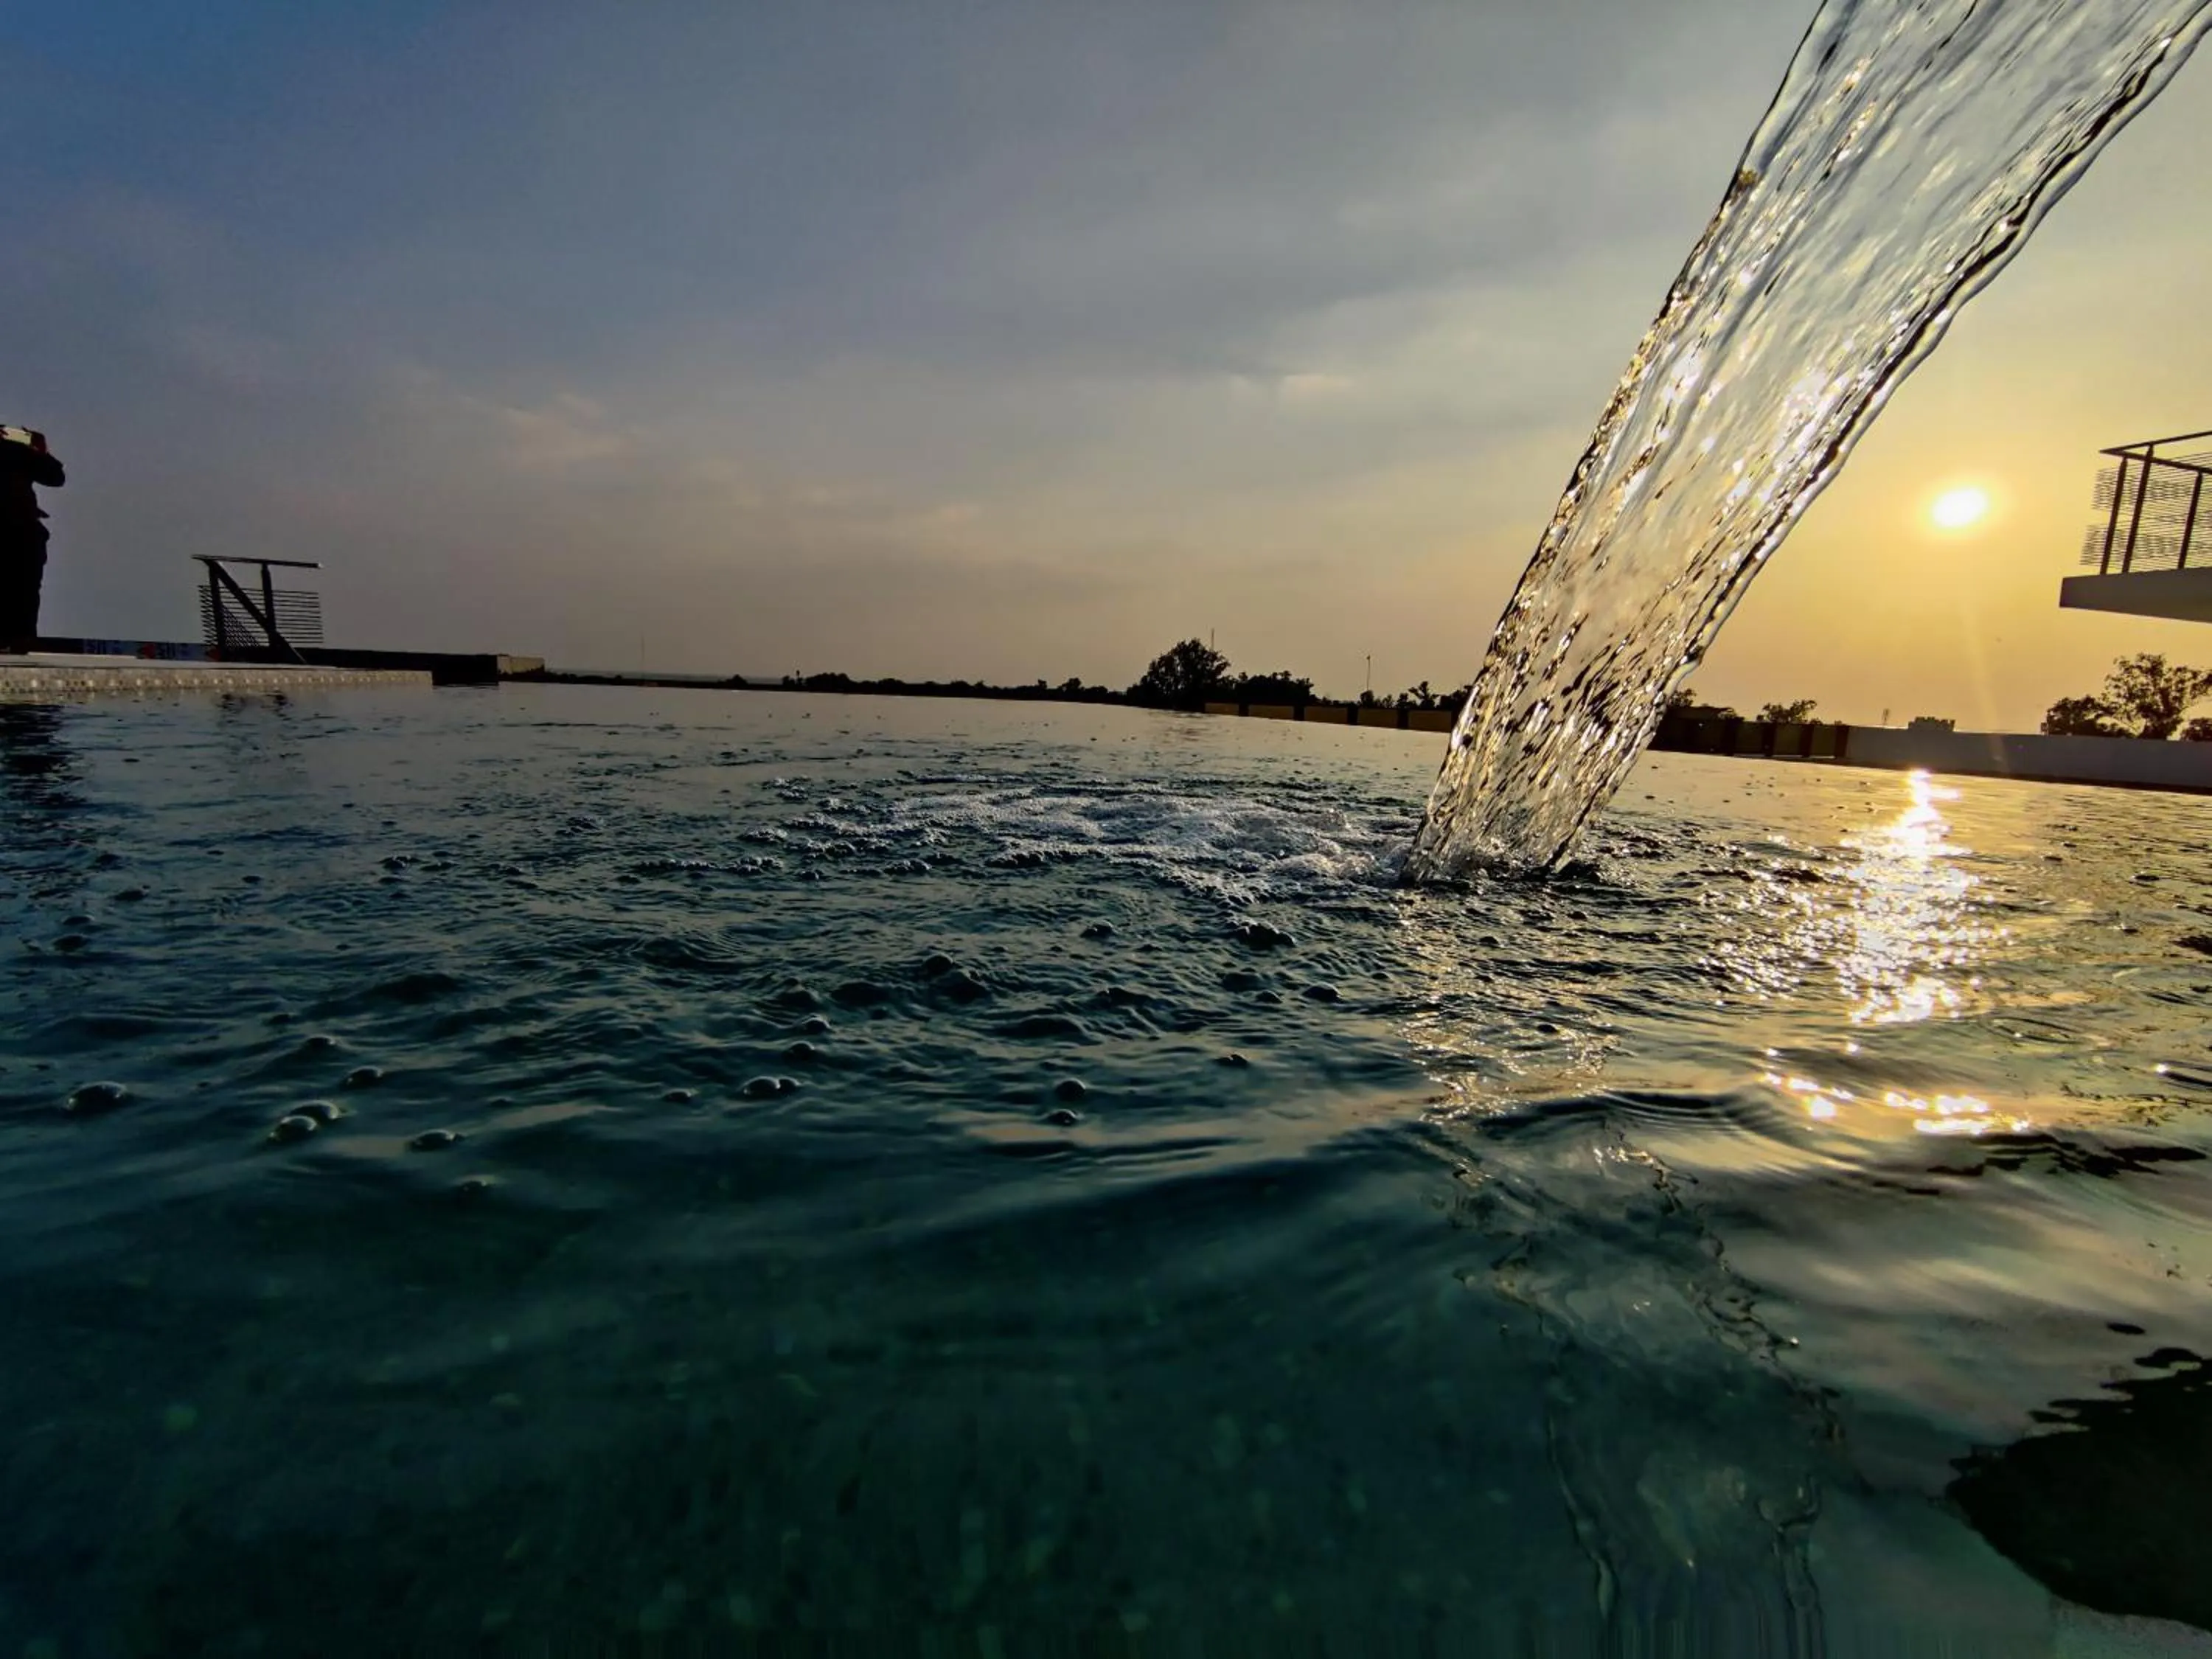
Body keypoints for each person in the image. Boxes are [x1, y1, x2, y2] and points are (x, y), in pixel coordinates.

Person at [1, 425, 65, 650]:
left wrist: (38, 449)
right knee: (23, 587)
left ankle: (19, 638)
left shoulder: (12, 439)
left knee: (24, 586)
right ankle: (18, 638)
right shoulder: (12, 438)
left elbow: (54, 477)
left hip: (20, 527)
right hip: (20, 526)